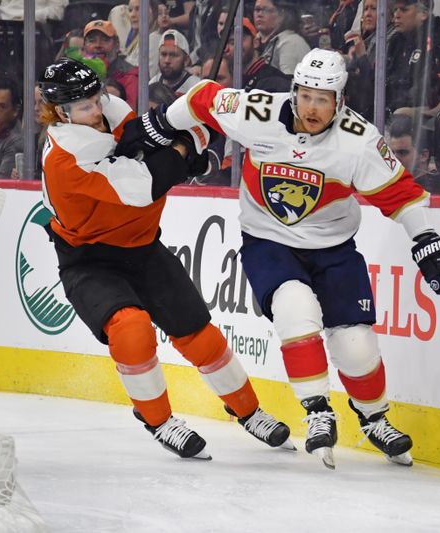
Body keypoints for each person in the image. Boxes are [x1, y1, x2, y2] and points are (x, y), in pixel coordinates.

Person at [115, 48, 440, 468]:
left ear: (341, 101)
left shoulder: (358, 140)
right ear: (294, 91)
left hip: (334, 247)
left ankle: (374, 418)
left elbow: (402, 195)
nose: (312, 108)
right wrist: (158, 125)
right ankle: (318, 412)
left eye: (323, 99)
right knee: (294, 307)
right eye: (305, 96)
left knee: (356, 346)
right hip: (269, 240)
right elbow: (202, 98)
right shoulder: (257, 111)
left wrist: (429, 242)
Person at [37, 58, 293, 459]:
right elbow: (146, 187)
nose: (96, 110)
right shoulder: (66, 157)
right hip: (89, 260)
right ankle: (158, 419)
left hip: (143, 247)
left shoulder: (111, 114)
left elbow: (192, 131)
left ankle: (249, 410)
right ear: (59, 112)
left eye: (97, 98)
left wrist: (184, 145)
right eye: (84, 107)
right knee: (131, 328)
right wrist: (181, 152)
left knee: (197, 332)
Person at [83, 20, 140, 110]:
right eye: (92, 40)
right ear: (84, 47)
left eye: (105, 40)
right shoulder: (78, 74)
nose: (98, 45)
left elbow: (130, 114)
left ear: (117, 45)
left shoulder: (131, 75)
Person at [223, 17, 289, 93]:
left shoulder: (273, 81)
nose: (229, 48)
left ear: (255, 42)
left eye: (237, 40)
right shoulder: (233, 80)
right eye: (226, 43)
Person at [253, 0, 311, 75]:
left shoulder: (292, 43)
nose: (259, 14)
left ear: (282, 15)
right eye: (257, 9)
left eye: (266, 10)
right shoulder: (252, 40)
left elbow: (289, 83)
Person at [149, 30, 201, 98]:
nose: (167, 60)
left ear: (186, 60)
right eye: (163, 54)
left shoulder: (196, 87)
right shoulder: (153, 83)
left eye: (173, 55)